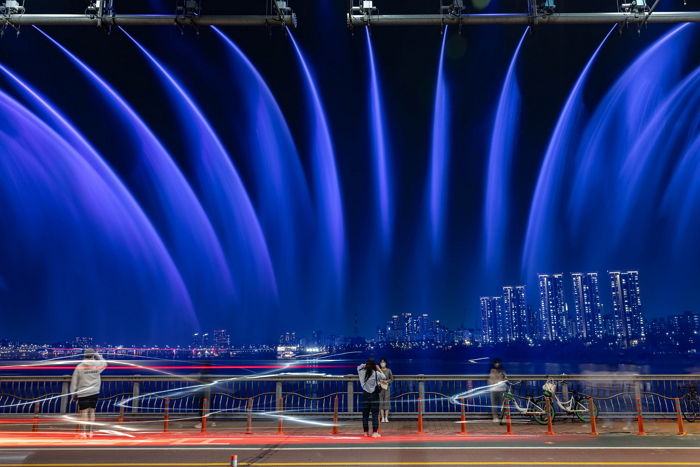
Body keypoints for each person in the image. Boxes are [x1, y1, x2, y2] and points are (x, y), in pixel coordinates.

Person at [70, 349, 107, 438]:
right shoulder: (97, 365)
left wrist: (73, 394)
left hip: (83, 392)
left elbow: (74, 381)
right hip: (94, 391)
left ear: (84, 355)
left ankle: (83, 432)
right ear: (93, 355)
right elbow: (105, 363)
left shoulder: (79, 366)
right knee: (92, 411)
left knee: (84, 412)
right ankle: (90, 432)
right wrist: (99, 356)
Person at [357, 358, 386, 437]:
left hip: (366, 395)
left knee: (365, 415)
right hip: (374, 395)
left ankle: (365, 432)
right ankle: (375, 432)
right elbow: (384, 377)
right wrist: (378, 368)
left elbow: (358, 367)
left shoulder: (362, 372)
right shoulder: (376, 373)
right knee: (375, 414)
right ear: (373, 365)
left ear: (366, 365)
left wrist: (365, 365)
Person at [487, 358, 507, 422]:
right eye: (496, 363)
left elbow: (506, 379)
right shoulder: (491, 371)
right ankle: (495, 417)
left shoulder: (503, 372)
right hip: (494, 390)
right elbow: (490, 380)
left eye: (498, 363)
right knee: (494, 405)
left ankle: (503, 417)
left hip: (501, 389)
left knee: (503, 405)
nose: (497, 364)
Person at [378, 358, 393, 423]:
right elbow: (376, 378)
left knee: (386, 402)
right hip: (380, 388)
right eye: (381, 362)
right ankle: (382, 417)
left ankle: (386, 417)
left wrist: (387, 381)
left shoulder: (389, 370)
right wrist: (379, 381)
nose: (382, 363)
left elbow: (391, 379)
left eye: (383, 362)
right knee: (381, 403)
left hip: (386, 388)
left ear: (386, 363)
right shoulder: (378, 370)